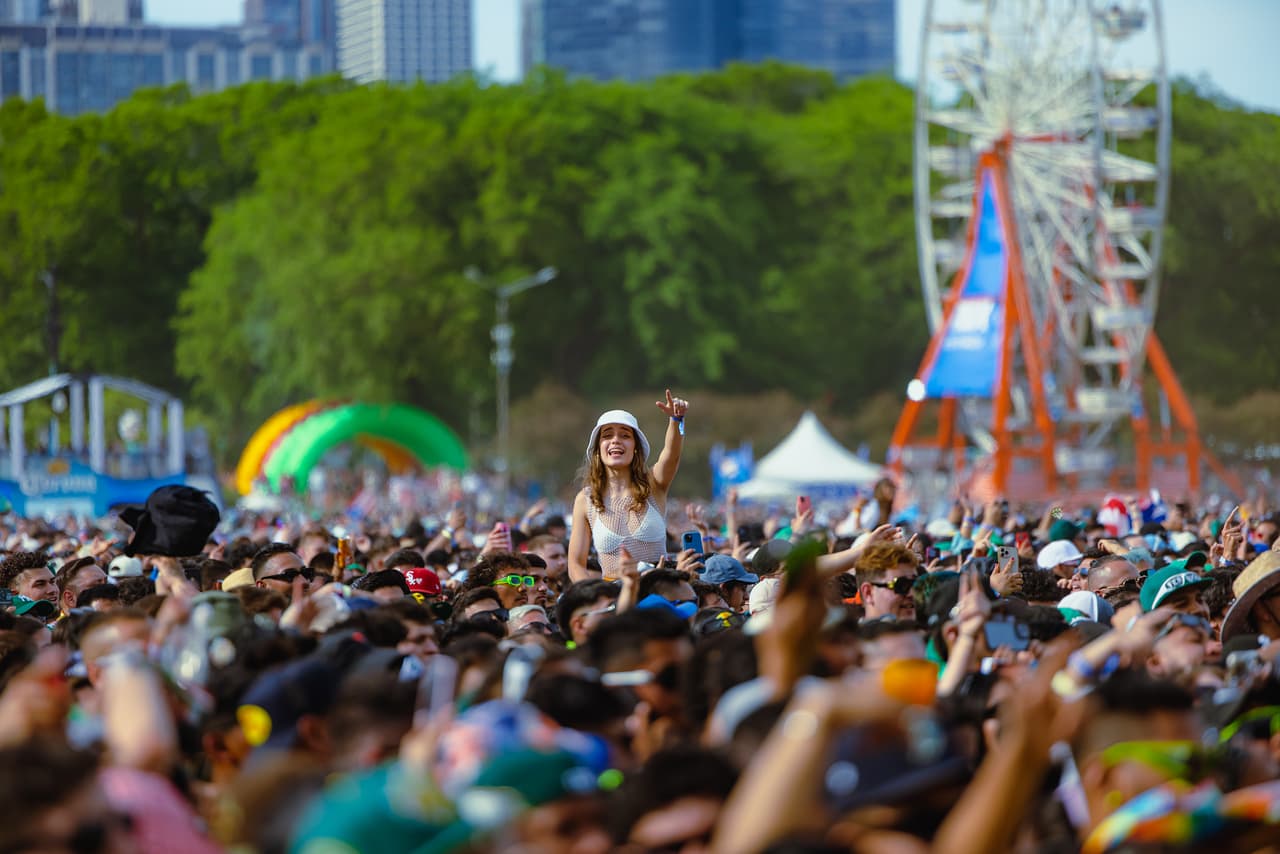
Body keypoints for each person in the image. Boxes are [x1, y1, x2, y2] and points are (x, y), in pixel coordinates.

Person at [568, 392, 690, 582]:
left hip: (659, 590)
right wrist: (596, 596)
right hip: (614, 594)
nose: (615, 440)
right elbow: (575, 563)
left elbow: (671, 454)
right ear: (598, 449)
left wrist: (676, 420)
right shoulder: (585, 500)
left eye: (625, 435)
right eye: (607, 435)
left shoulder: (654, 483)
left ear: (635, 448)